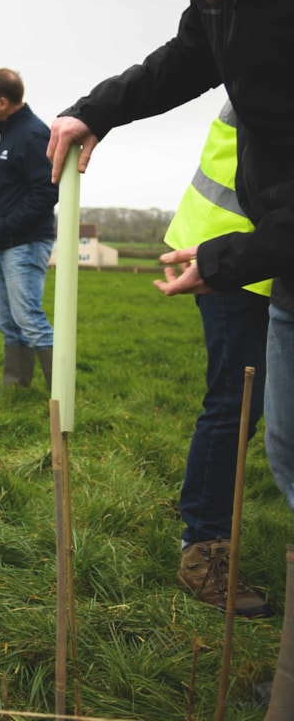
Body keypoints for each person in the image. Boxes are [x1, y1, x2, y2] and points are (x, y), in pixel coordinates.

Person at [45, 0, 294, 611]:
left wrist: (233, 257)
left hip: (251, 253)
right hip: (247, 256)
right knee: (254, 420)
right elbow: (191, 51)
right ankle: (207, 547)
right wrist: (99, 110)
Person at [166, 100, 272, 616]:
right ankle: (203, 551)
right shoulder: (270, 37)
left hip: (272, 248)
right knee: (236, 399)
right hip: (230, 248)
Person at [0, 68, 58, 390]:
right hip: (8, 243)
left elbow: (47, 191)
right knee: (9, 321)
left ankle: (60, 393)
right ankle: (16, 389)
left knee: (28, 318)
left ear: (3, 101)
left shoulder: (32, 134)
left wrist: (8, 227)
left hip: (24, 243)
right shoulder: (11, 132)